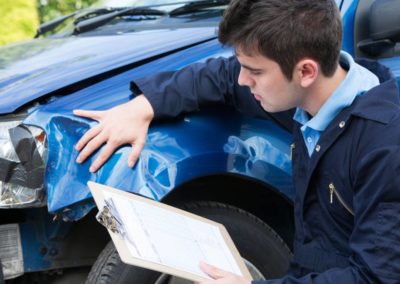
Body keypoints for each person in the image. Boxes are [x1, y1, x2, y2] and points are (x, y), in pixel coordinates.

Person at [74, 0, 400, 283]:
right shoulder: (307, 95)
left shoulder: (384, 144)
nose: (244, 80)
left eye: (254, 72)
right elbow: (223, 77)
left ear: (306, 72)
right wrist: (144, 106)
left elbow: (377, 277)